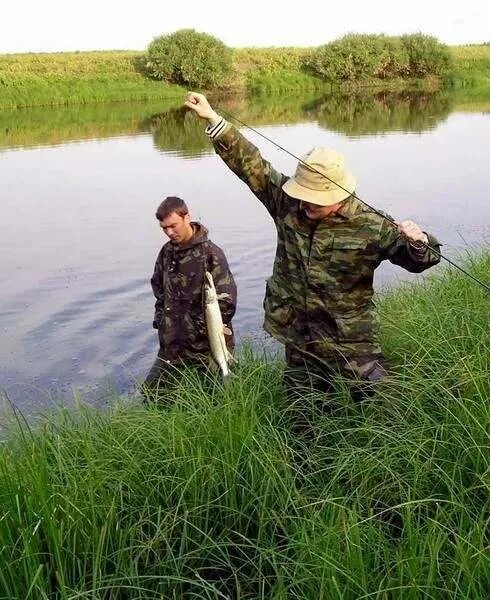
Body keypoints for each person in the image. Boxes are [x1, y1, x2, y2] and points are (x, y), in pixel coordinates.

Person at [185, 92, 441, 403]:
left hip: (349, 339)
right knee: (301, 413)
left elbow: (420, 260)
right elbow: (251, 165)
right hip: (299, 336)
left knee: (380, 404)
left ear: (337, 195)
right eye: (302, 194)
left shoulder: (371, 225)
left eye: (314, 199)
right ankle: (302, 450)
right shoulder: (286, 203)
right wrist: (214, 120)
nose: (305, 203)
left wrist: (420, 241)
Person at [143, 196, 237, 399]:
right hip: (173, 344)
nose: (169, 232)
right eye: (164, 228)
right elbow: (158, 288)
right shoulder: (167, 252)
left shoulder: (211, 254)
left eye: (173, 226)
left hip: (206, 345)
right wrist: (162, 321)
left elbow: (226, 303)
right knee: (152, 395)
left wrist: (200, 328)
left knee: (214, 401)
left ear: (187, 217)